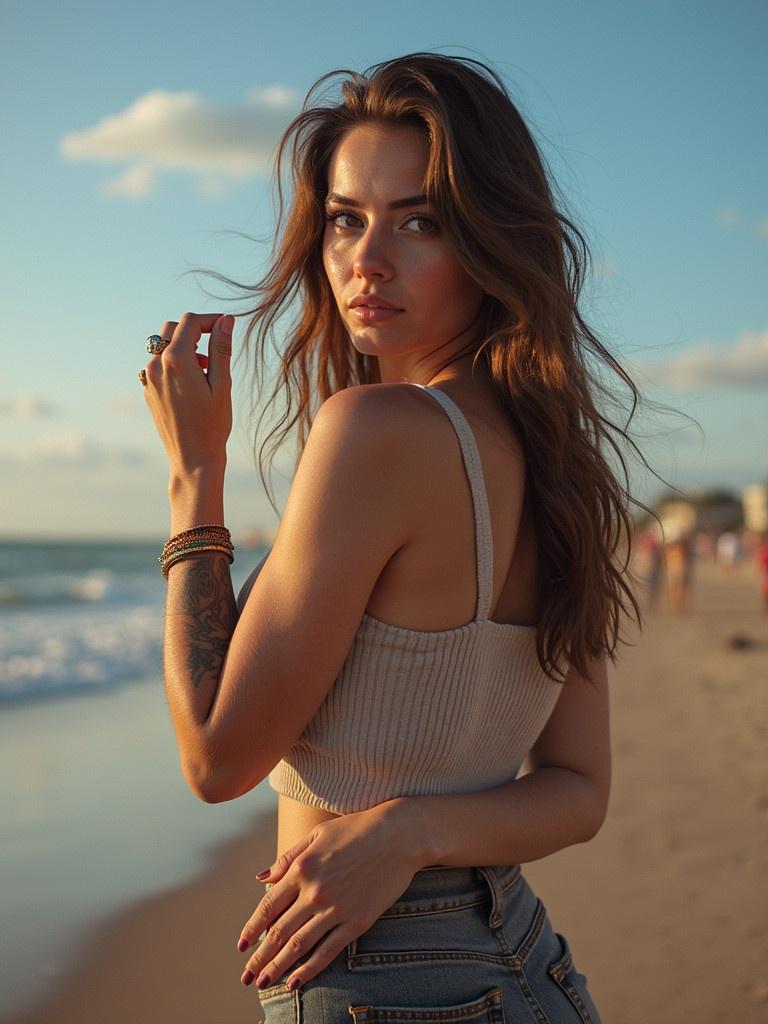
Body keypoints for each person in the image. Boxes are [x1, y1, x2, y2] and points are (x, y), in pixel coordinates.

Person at [140, 53, 647, 1023]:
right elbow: (578, 790)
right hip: (531, 964)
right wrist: (411, 829)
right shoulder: (561, 466)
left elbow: (214, 757)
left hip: (383, 976)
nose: (366, 260)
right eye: (345, 218)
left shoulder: (372, 434)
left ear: (492, 239)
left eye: (420, 221)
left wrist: (192, 475)